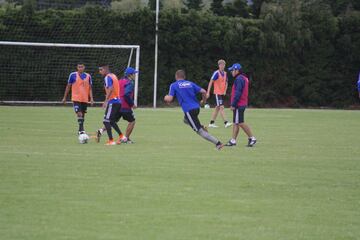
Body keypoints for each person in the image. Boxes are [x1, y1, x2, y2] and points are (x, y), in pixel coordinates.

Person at [164, 70, 224, 150]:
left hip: (189, 110)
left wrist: (165, 97)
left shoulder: (174, 85)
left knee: (199, 131)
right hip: (196, 108)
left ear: (176, 77)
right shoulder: (190, 83)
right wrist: (203, 101)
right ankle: (201, 126)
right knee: (185, 120)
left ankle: (218, 143)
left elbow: (169, 99)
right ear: (184, 77)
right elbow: (203, 91)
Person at [225, 63, 257, 147]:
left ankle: (252, 138)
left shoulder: (239, 79)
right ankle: (233, 140)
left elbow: (238, 93)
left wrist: (233, 104)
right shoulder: (244, 78)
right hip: (241, 103)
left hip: (239, 104)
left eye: (232, 70)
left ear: (237, 70)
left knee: (240, 122)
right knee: (236, 122)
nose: (231, 72)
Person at [62, 63, 94, 135]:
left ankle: (80, 129)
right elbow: (68, 86)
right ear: (77, 67)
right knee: (79, 113)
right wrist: (64, 97)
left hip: (85, 99)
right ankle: (82, 130)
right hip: (76, 98)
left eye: (81, 67)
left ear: (84, 67)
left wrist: (91, 98)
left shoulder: (88, 76)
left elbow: (90, 88)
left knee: (83, 114)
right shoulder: (73, 75)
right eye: (79, 67)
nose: (80, 68)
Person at [98, 65, 125, 146]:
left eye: (101, 70)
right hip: (118, 101)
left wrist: (106, 101)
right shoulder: (113, 75)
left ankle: (111, 140)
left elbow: (111, 88)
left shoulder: (107, 77)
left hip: (112, 101)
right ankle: (122, 136)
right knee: (112, 121)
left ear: (106, 70)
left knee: (106, 121)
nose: (100, 72)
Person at [206, 59, 232, 128]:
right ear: (219, 65)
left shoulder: (225, 73)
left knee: (217, 108)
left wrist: (225, 91)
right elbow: (211, 82)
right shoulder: (216, 73)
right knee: (221, 107)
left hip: (221, 93)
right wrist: (208, 92)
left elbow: (226, 82)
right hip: (217, 93)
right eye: (221, 65)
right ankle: (226, 122)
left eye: (224, 65)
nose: (223, 66)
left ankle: (211, 123)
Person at [117, 67, 138, 143]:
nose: (135, 75)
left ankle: (100, 131)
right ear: (130, 75)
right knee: (132, 121)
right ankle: (126, 138)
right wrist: (132, 104)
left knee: (112, 121)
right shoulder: (130, 83)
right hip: (125, 106)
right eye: (134, 74)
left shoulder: (119, 81)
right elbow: (126, 95)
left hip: (117, 104)